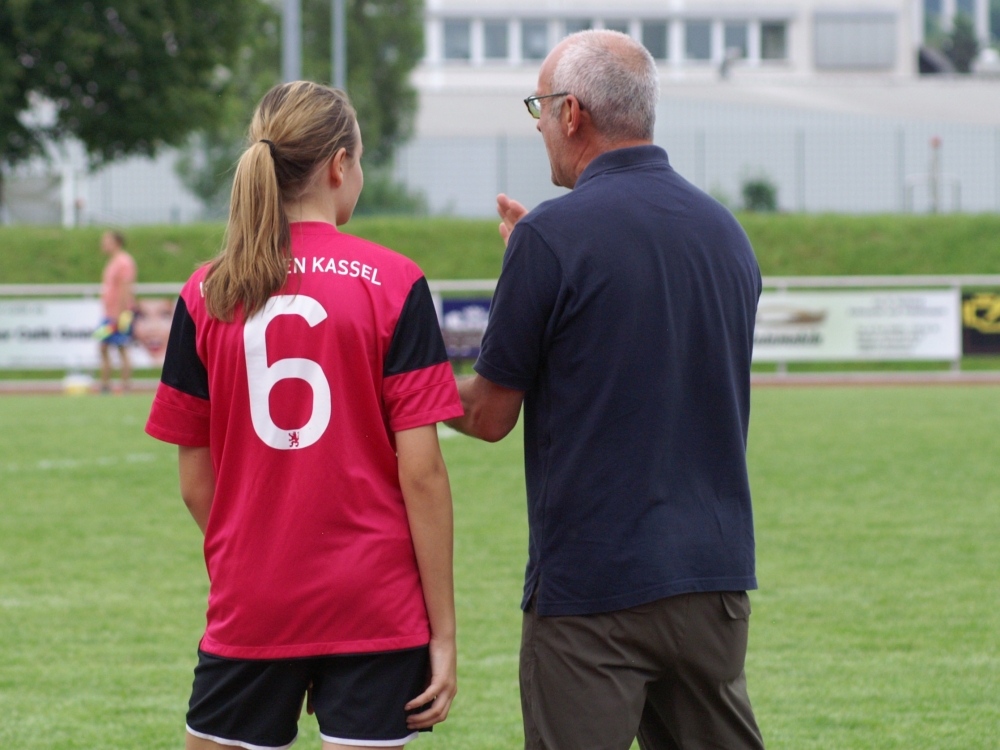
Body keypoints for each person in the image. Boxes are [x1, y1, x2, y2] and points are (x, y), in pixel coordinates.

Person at [447, 30, 766, 750]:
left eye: (540, 105)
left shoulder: (553, 238)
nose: (537, 124)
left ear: (572, 114)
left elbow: (487, 414)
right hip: (714, 581)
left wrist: (392, 368)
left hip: (595, 590)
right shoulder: (727, 233)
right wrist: (542, 259)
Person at [145, 81, 462, 750]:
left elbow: (194, 479)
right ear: (338, 166)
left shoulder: (205, 291)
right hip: (375, 603)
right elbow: (424, 474)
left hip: (254, 600)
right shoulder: (396, 281)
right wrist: (443, 633)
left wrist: (256, 555)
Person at [95, 230, 136, 392]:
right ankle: (105, 384)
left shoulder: (124, 262)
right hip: (110, 313)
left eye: (107, 241)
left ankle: (125, 385)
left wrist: (121, 313)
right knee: (103, 346)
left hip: (119, 314)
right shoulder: (113, 261)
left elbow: (125, 287)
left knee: (122, 347)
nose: (103, 244)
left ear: (117, 242)